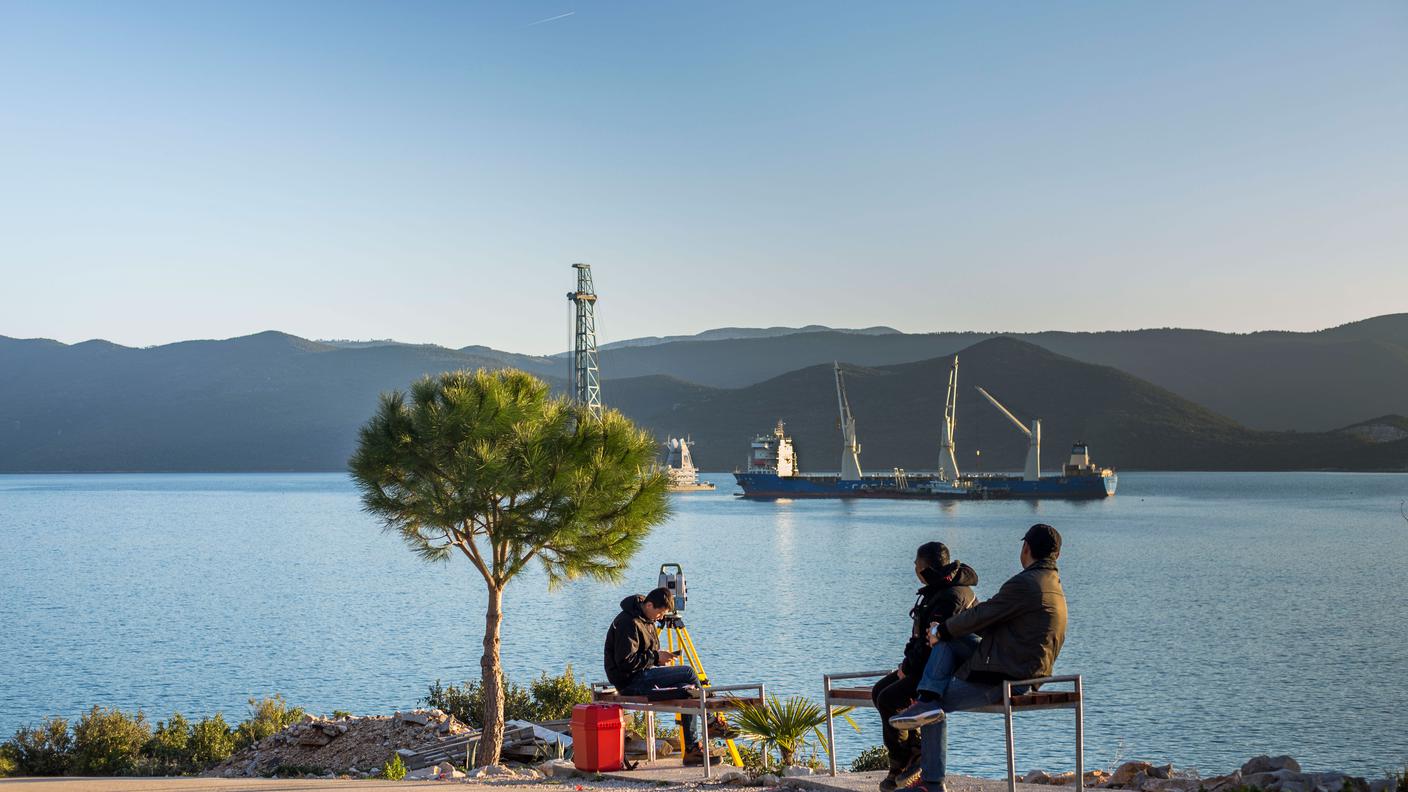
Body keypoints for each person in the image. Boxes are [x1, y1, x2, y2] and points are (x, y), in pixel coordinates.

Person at [889, 524, 1068, 792]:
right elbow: (992, 621)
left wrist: (943, 629)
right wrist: (949, 632)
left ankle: (931, 782)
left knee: (932, 703)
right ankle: (927, 700)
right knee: (939, 670)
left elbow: (983, 614)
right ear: (1057, 555)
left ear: (1026, 548)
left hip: (1008, 675)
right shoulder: (1052, 586)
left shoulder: (1025, 583)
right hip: (1021, 666)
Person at [870, 542, 978, 791]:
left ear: (925, 568)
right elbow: (919, 637)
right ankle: (911, 753)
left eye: (917, 564)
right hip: (922, 665)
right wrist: (905, 665)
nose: (914, 568)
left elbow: (933, 642)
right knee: (879, 692)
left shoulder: (952, 597)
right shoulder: (936, 590)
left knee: (889, 698)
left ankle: (903, 762)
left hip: (942, 671)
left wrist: (907, 669)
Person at [603, 587, 708, 764]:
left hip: (642, 674)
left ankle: (691, 749)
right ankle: (709, 721)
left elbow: (645, 653)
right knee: (688, 672)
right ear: (649, 605)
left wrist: (658, 656)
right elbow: (625, 662)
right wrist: (656, 657)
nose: (660, 618)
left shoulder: (646, 620)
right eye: (659, 613)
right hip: (630, 681)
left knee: (687, 690)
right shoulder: (628, 622)